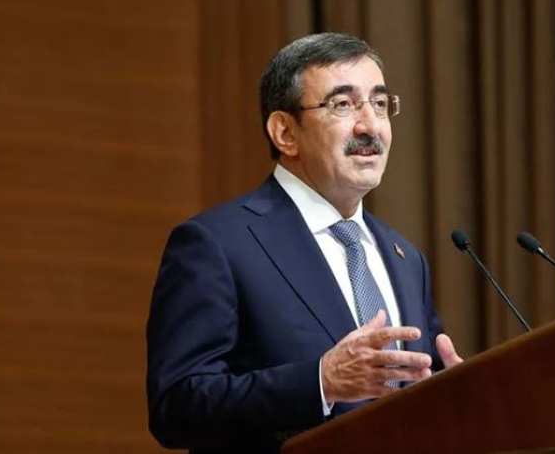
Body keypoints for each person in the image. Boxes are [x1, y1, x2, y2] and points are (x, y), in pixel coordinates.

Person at [146, 32, 463, 453]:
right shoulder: (217, 244)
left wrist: (458, 396)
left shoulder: (405, 258)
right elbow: (176, 406)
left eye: (380, 104)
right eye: (343, 104)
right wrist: (320, 384)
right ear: (285, 132)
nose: (370, 126)